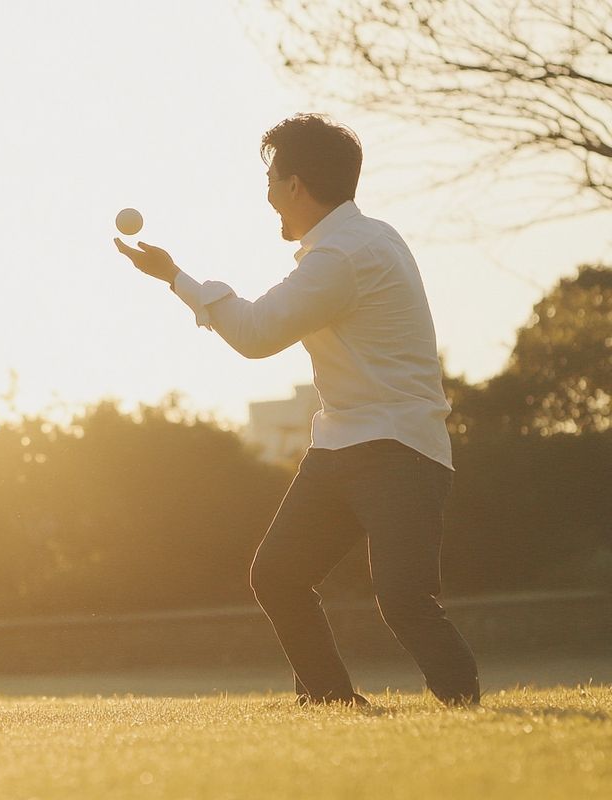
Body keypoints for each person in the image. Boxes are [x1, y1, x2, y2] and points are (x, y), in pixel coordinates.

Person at [114, 113, 480, 707]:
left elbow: (257, 334)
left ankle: (464, 708)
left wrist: (173, 276)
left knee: (404, 600)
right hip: (341, 444)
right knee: (279, 576)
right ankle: (333, 702)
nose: (267, 196)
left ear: (296, 186)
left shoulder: (342, 257)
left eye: (271, 179)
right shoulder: (366, 237)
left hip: (397, 449)